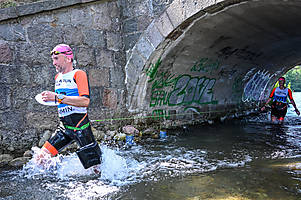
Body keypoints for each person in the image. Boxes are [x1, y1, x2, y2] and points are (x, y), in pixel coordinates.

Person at [36, 44, 101, 171]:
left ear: (68, 58)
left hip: (81, 127)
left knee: (96, 169)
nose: (54, 63)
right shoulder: (57, 77)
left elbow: (85, 101)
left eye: (56, 59)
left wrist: (57, 98)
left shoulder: (78, 74)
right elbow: (61, 99)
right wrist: (49, 99)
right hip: (64, 128)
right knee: (40, 159)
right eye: (53, 60)